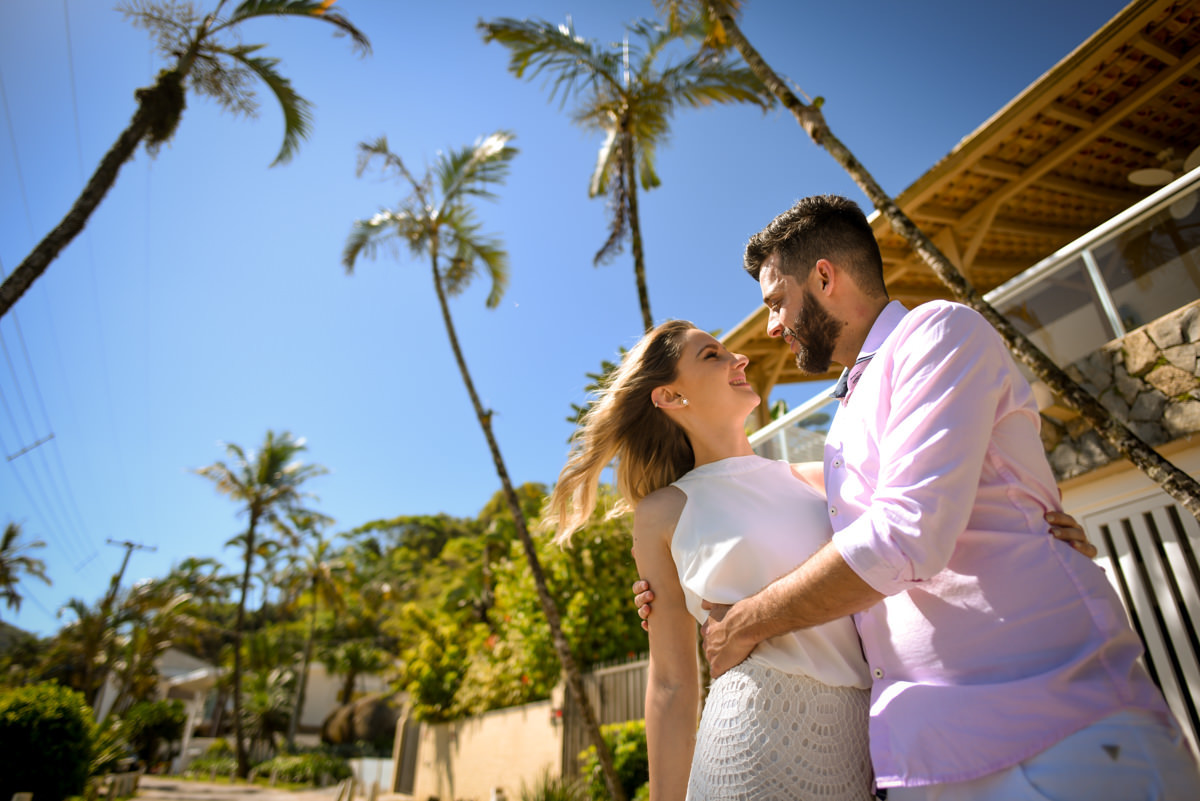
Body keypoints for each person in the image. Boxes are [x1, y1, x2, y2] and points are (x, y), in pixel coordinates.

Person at [636, 195, 1199, 800]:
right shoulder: (841, 426)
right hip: (919, 764)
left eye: (777, 301)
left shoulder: (937, 332)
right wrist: (673, 583)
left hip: (1055, 737)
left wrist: (746, 620)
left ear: (824, 277)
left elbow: (905, 533)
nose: (770, 329)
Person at [545, 319, 1098, 800]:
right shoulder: (663, 512)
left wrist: (1040, 537)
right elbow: (670, 682)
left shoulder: (822, 480)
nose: (739, 357)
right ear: (670, 397)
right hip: (752, 738)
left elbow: (926, 522)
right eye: (711, 355)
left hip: (869, 739)